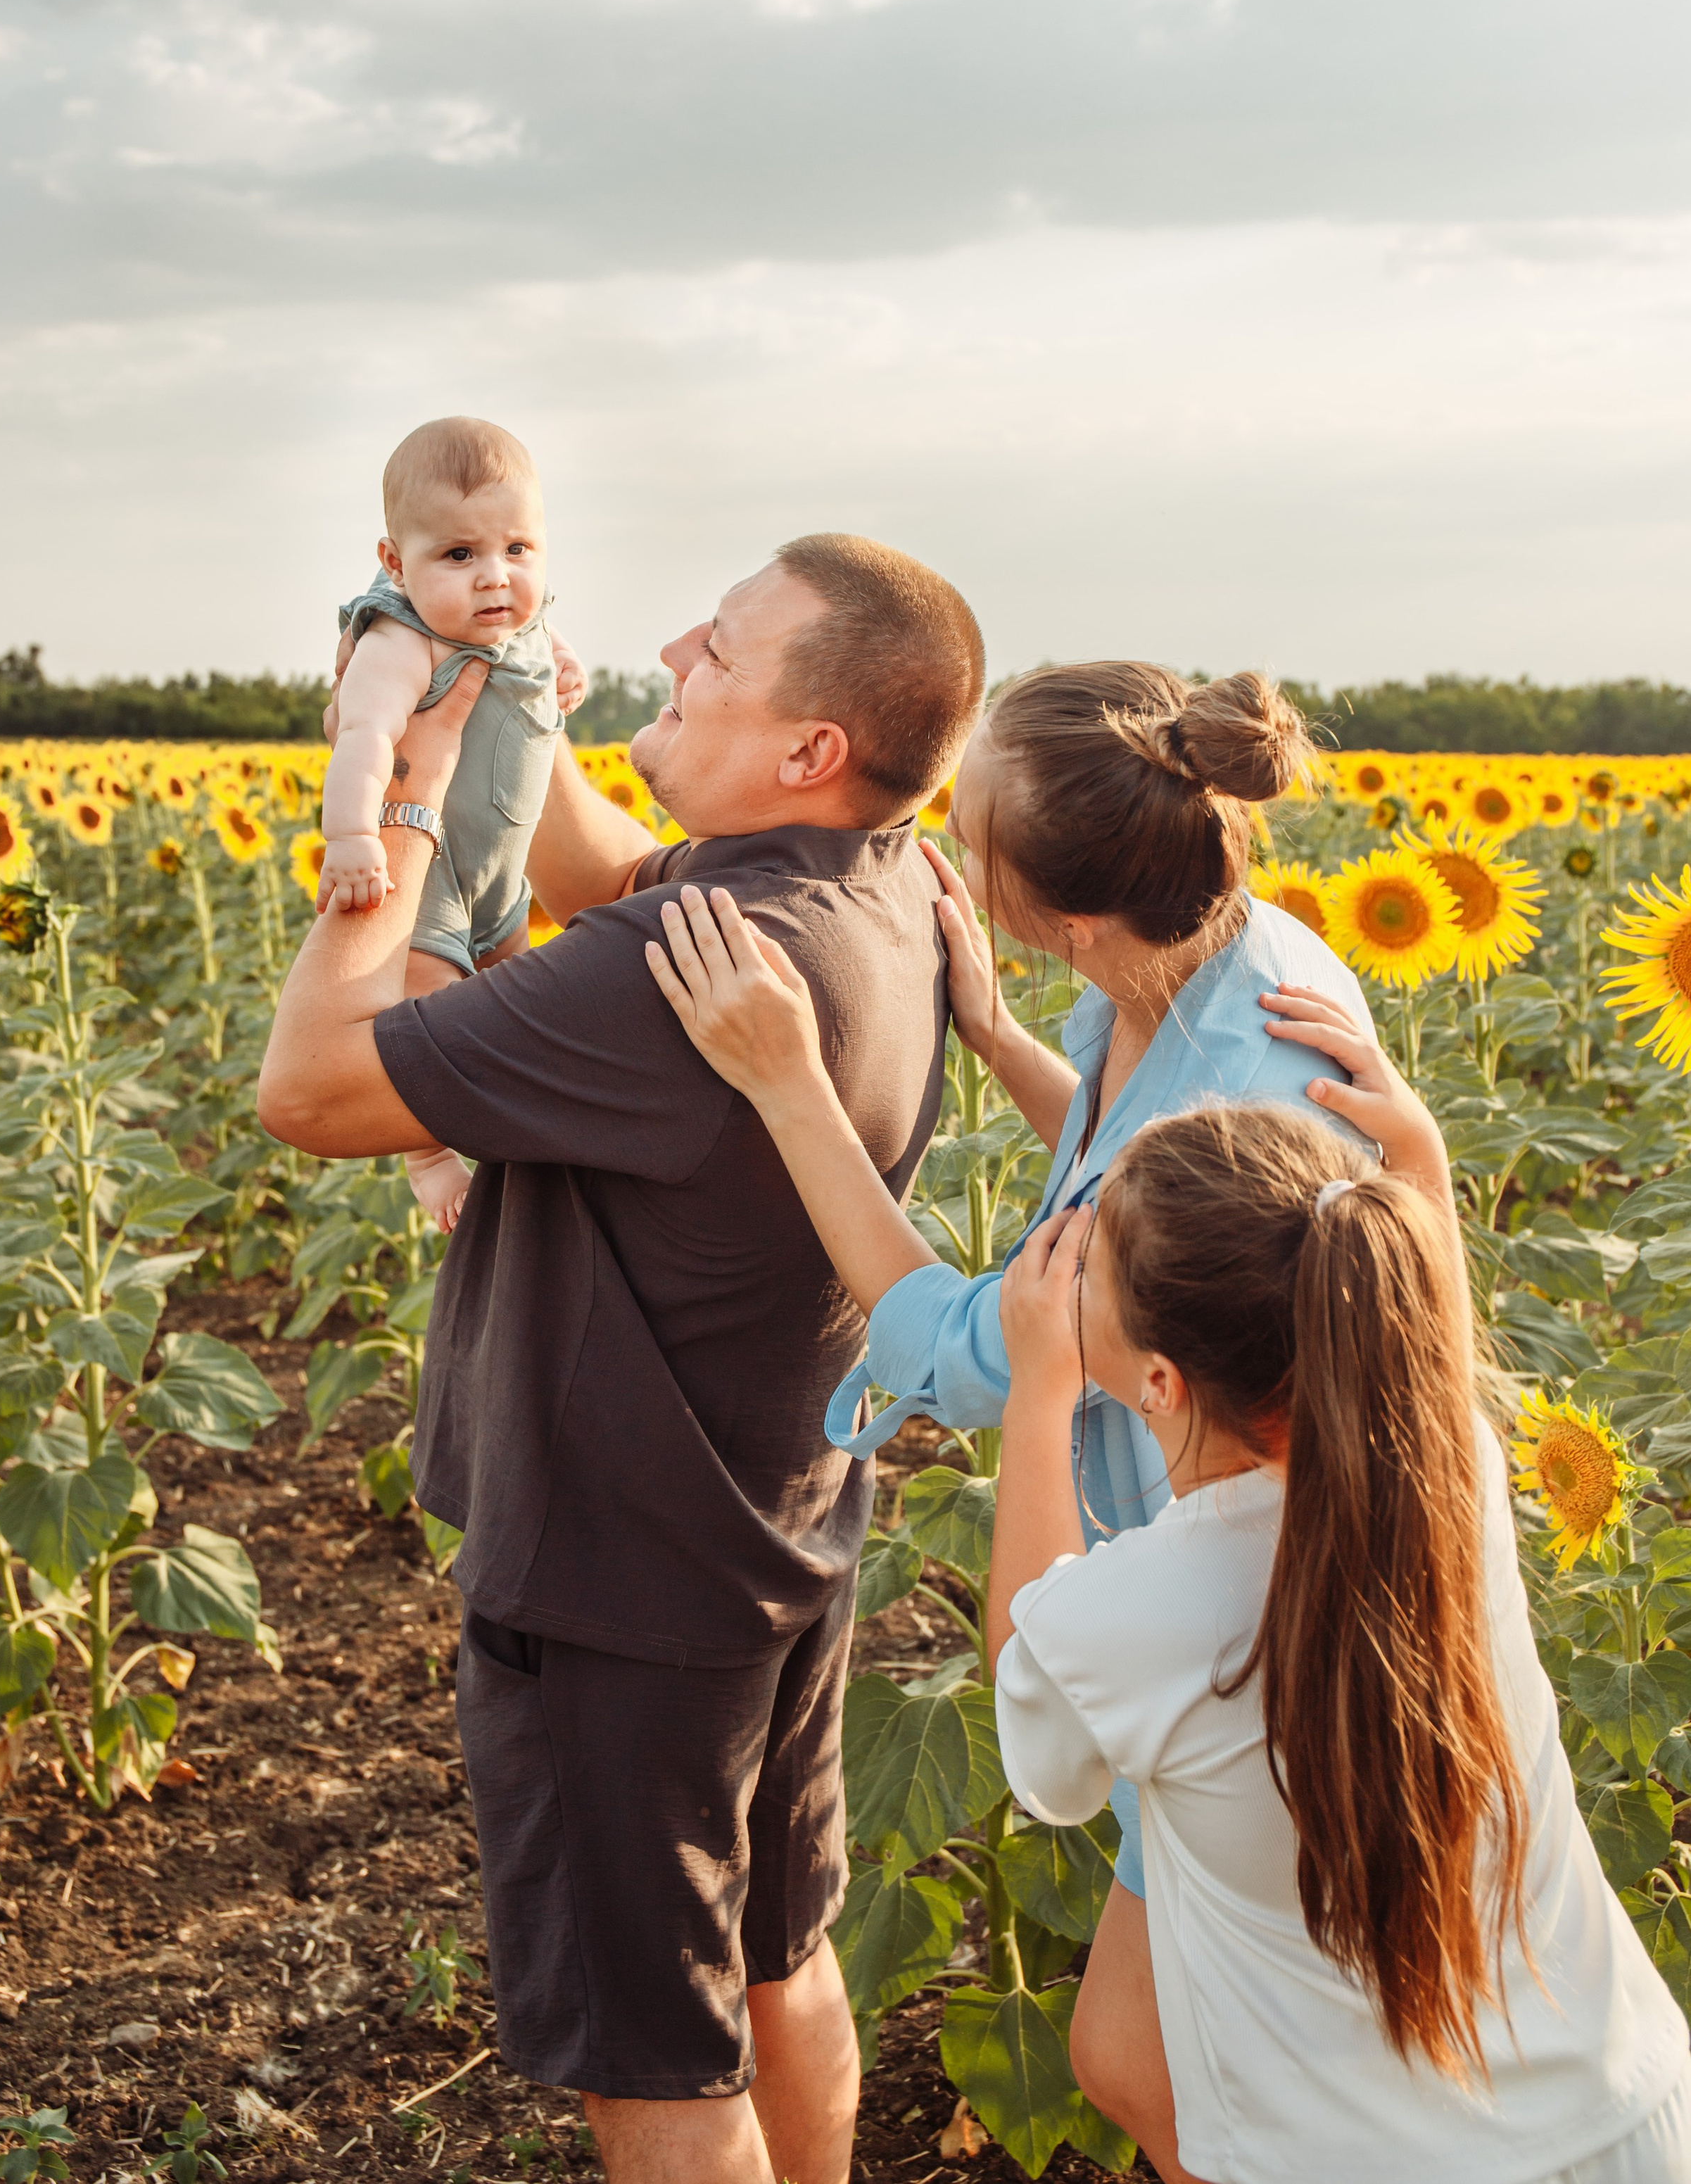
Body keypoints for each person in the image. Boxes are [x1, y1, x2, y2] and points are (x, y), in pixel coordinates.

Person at [258, 532, 984, 2184]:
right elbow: (597, 862)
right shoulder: (856, 884)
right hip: (772, 1526)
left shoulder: (670, 985)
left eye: (719, 651)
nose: (673, 646)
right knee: (777, 1954)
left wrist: (401, 800)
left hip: (615, 1575)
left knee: (648, 2044)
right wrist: (503, 696)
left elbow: (308, 1087)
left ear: (807, 749)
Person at [644, 657, 1376, 2123]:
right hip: (1231, 1596)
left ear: (1074, 915)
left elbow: (976, 1353)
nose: (936, 838)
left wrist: (788, 1085)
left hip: (1248, 1632)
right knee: (1129, 2049)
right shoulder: (1216, 952)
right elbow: (1137, 1173)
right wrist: (993, 1034)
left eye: (965, 832)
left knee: (1212, 2068)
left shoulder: (1248, 1071)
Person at [984, 1013, 1691, 2183]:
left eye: (1092, 1261)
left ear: (1155, 1381)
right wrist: (1416, 1156)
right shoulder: (1452, 1470)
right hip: (1628, 2118)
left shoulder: (1131, 1622)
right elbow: (1424, 1349)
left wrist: (1035, 1395)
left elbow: (1042, 1750)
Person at [321, 416, 588, 1228]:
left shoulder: (517, 622)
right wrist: (352, 836)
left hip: (503, 881)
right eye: (459, 555)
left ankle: (517, 1142)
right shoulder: (402, 641)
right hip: (426, 875)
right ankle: (427, 1153)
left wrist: (564, 669)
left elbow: (536, 654)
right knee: (432, 1018)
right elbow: (360, 734)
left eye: (518, 550)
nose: (494, 578)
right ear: (396, 565)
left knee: (517, 1002)